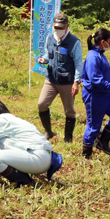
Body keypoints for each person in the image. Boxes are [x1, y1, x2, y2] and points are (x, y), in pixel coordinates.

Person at [0, 99, 63, 185]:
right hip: (46, 158)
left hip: (37, 158)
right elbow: (13, 157)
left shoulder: (0, 121)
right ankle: (25, 180)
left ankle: (25, 182)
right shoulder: (15, 120)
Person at [81, 27, 110, 159]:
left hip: (106, 95)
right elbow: (95, 80)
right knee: (94, 125)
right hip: (94, 96)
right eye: (109, 41)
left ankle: (103, 142)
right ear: (102, 42)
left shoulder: (101, 55)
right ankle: (86, 154)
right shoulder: (92, 57)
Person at [36, 13, 82, 142]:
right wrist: (43, 59)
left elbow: (78, 63)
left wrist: (76, 82)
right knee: (42, 104)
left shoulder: (74, 42)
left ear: (67, 26)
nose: (58, 30)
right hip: (51, 79)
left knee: (69, 111)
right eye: (56, 27)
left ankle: (68, 137)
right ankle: (48, 131)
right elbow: (47, 53)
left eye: (61, 27)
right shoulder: (50, 38)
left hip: (67, 81)